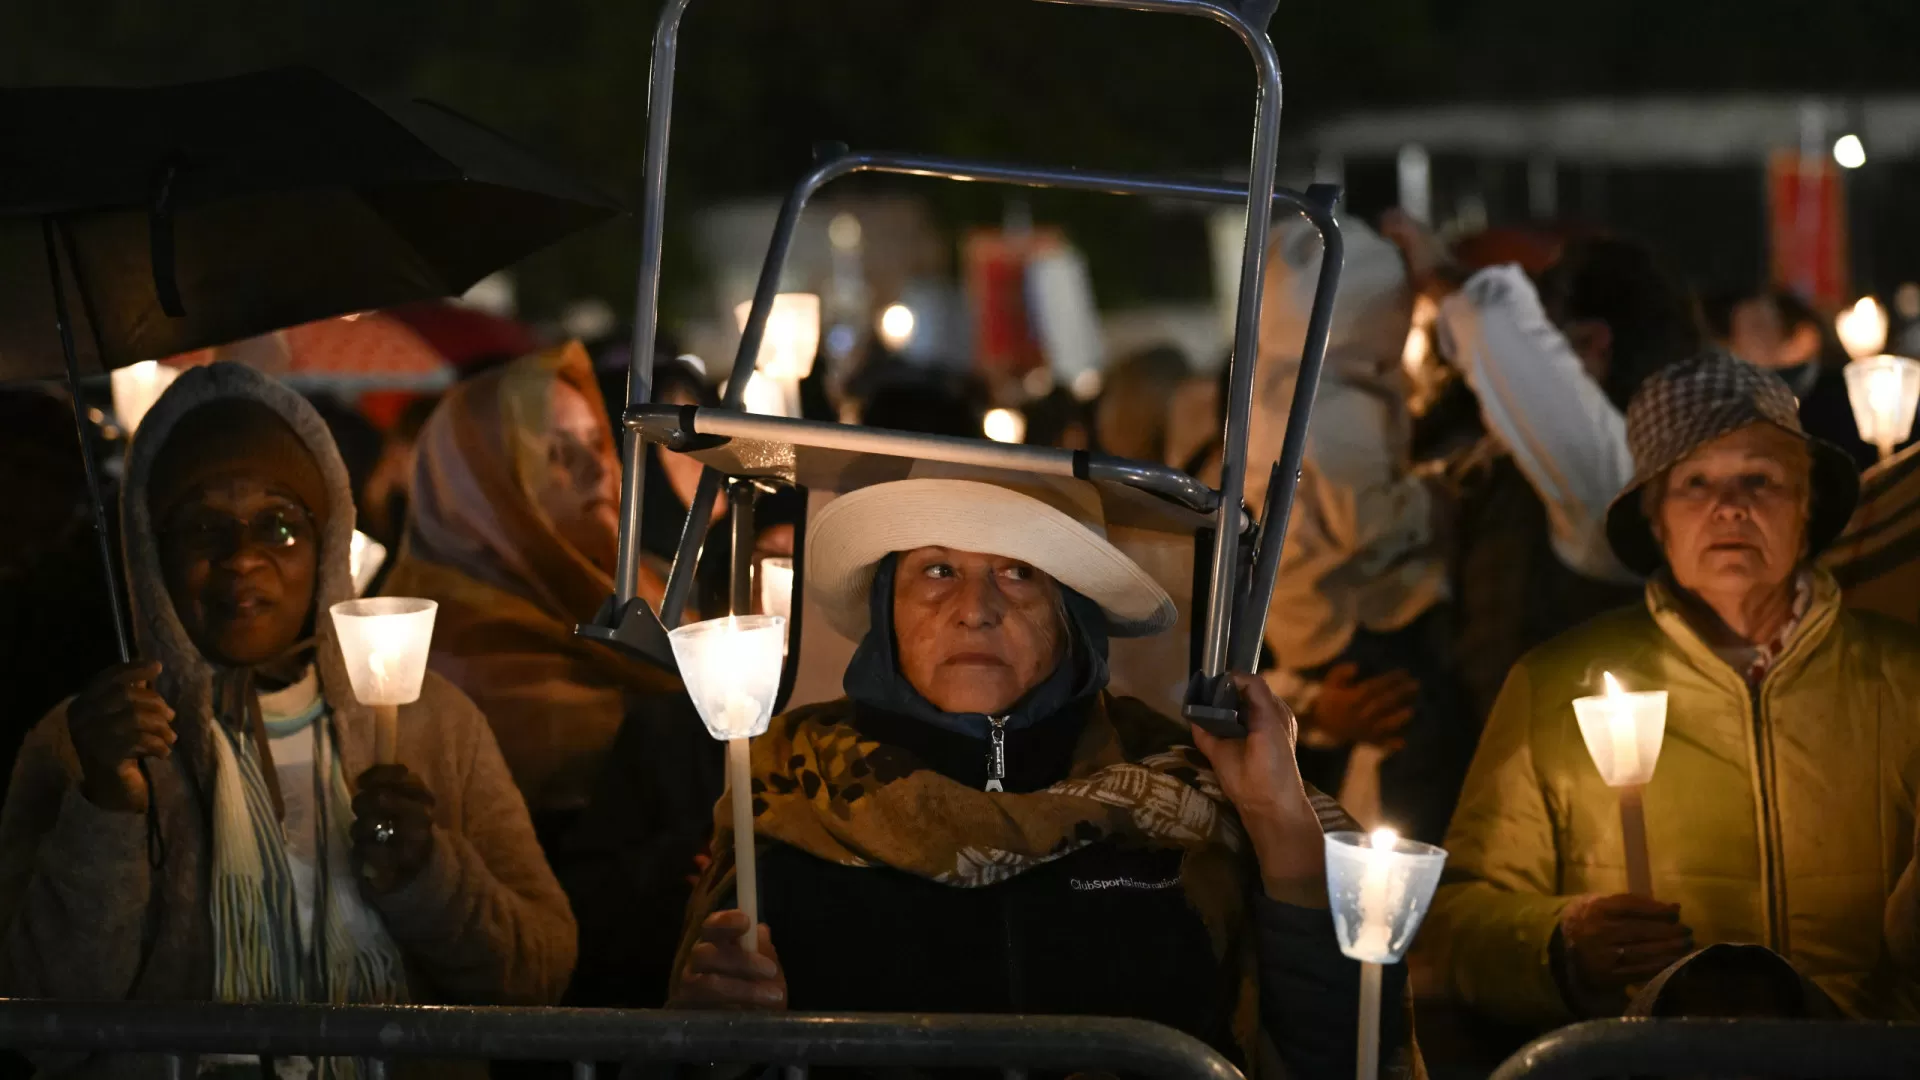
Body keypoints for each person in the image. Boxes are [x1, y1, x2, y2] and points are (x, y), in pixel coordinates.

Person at [667, 471, 1414, 1079]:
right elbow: (709, 1052)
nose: (975, 610)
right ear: (887, 611)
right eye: (937, 571)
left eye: (1019, 573)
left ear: (1072, 618)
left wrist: (1277, 816)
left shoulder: (1192, 795)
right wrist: (715, 1037)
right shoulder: (791, 790)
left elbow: (1332, 1051)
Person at [0, 363, 575, 1078]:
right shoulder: (93, 741)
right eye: (203, 527)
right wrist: (106, 809)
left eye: (278, 525)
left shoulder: (432, 724)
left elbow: (539, 973)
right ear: (150, 548)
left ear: (327, 539)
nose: (242, 558)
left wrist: (429, 875)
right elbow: (41, 1017)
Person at [1426, 351, 1920, 1027]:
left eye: (1760, 479)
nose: (1729, 508)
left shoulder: (1905, 679)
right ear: (1656, 519)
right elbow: (1454, 923)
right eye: (1694, 483)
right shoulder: (1556, 686)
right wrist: (1561, 940)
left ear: (1807, 507)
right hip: (1649, 1061)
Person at [1165, 217, 1451, 842]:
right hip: (1359, 628)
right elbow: (1369, 522)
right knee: (1412, 765)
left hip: (1307, 638)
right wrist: (1434, 499)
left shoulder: (1269, 409)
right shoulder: (1338, 411)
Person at [1383, 215, 1697, 729]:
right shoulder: (1525, 464)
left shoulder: (1616, 471)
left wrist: (1436, 271)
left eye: (1543, 331)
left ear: (1591, 343)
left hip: (1557, 764)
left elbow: (1490, 322)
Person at [382, 342, 679, 850]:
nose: (599, 469)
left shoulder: (645, 588)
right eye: (557, 453)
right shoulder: (443, 666)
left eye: (596, 442)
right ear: (484, 489)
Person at [1706, 285, 1879, 470]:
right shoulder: (1739, 408)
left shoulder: (1836, 393)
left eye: (1758, 326)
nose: (1740, 339)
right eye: (1737, 331)